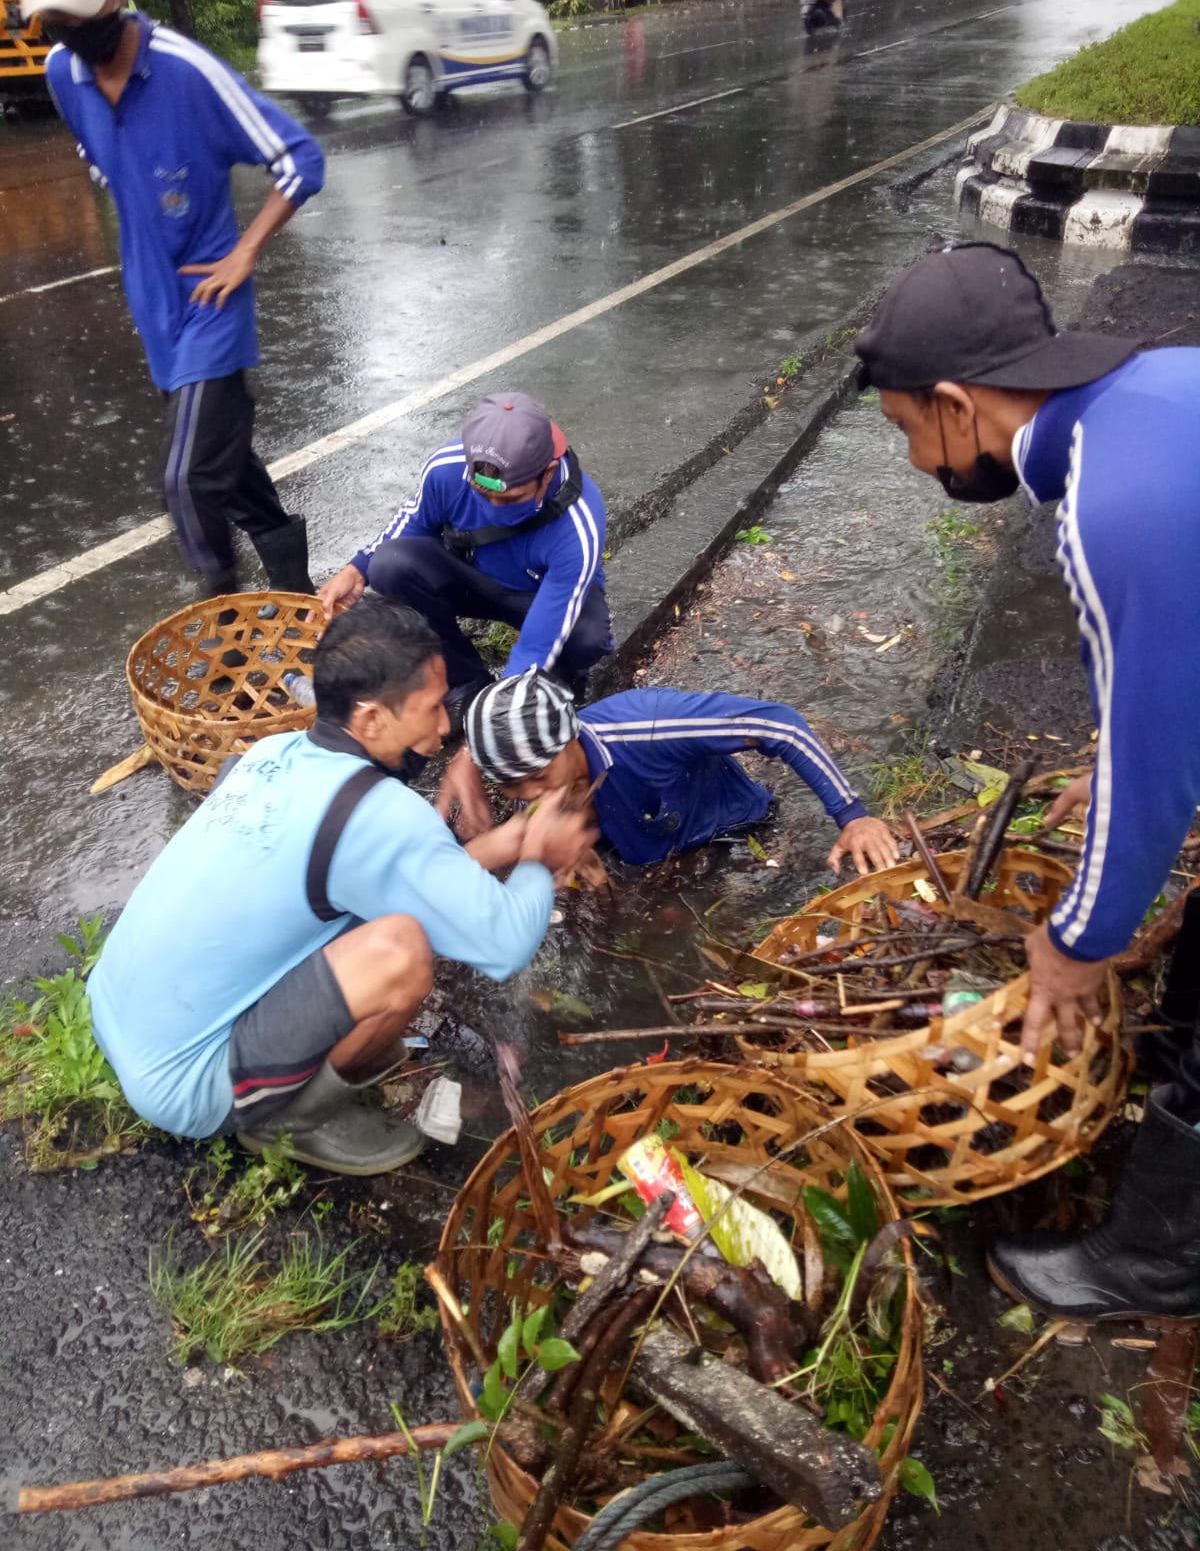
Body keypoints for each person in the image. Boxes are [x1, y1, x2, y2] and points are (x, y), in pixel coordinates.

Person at [855, 240, 1200, 1322]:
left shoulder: (1110, 503)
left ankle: (1159, 1265)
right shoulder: (1161, 387)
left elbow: (1159, 781)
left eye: (907, 430)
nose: (918, 460)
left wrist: (1076, 943)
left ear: (957, 406)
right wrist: (1122, 751)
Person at [85, 601, 596, 1176]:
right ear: (371, 717)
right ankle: (290, 1119)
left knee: (375, 912)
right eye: (432, 708)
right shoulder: (378, 815)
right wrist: (538, 858)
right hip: (188, 1083)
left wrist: (505, 844)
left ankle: (285, 1072)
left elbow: (394, 876)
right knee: (401, 952)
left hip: (116, 1011)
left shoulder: (269, 756)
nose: (444, 727)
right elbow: (505, 943)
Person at [18, 0, 325, 597]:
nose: (72, 28)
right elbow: (100, 156)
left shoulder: (189, 73)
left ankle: (222, 626)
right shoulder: (62, 73)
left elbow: (301, 160)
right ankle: (296, 586)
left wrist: (245, 251)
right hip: (152, 306)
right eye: (57, 15)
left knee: (187, 480)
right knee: (224, 465)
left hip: (211, 302)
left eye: (82, 9)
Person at [319, 392, 612, 724]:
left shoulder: (579, 523)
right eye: (482, 494)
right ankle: (466, 680)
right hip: (473, 579)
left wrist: (497, 715)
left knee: (587, 637)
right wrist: (357, 569)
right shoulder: (447, 469)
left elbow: (538, 639)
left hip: (540, 598)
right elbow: (414, 520)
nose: (494, 509)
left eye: (511, 499)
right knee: (389, 565)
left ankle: (556, 678)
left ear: (548, 473)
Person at [439, 666, 899, 875]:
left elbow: (780, 725)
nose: (531, 793)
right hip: (640, 857)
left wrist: (853, 816)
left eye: (539, 776)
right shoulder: (536, 787)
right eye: (512, 785)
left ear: (570, 737)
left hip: (732, 836)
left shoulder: (650, 725)